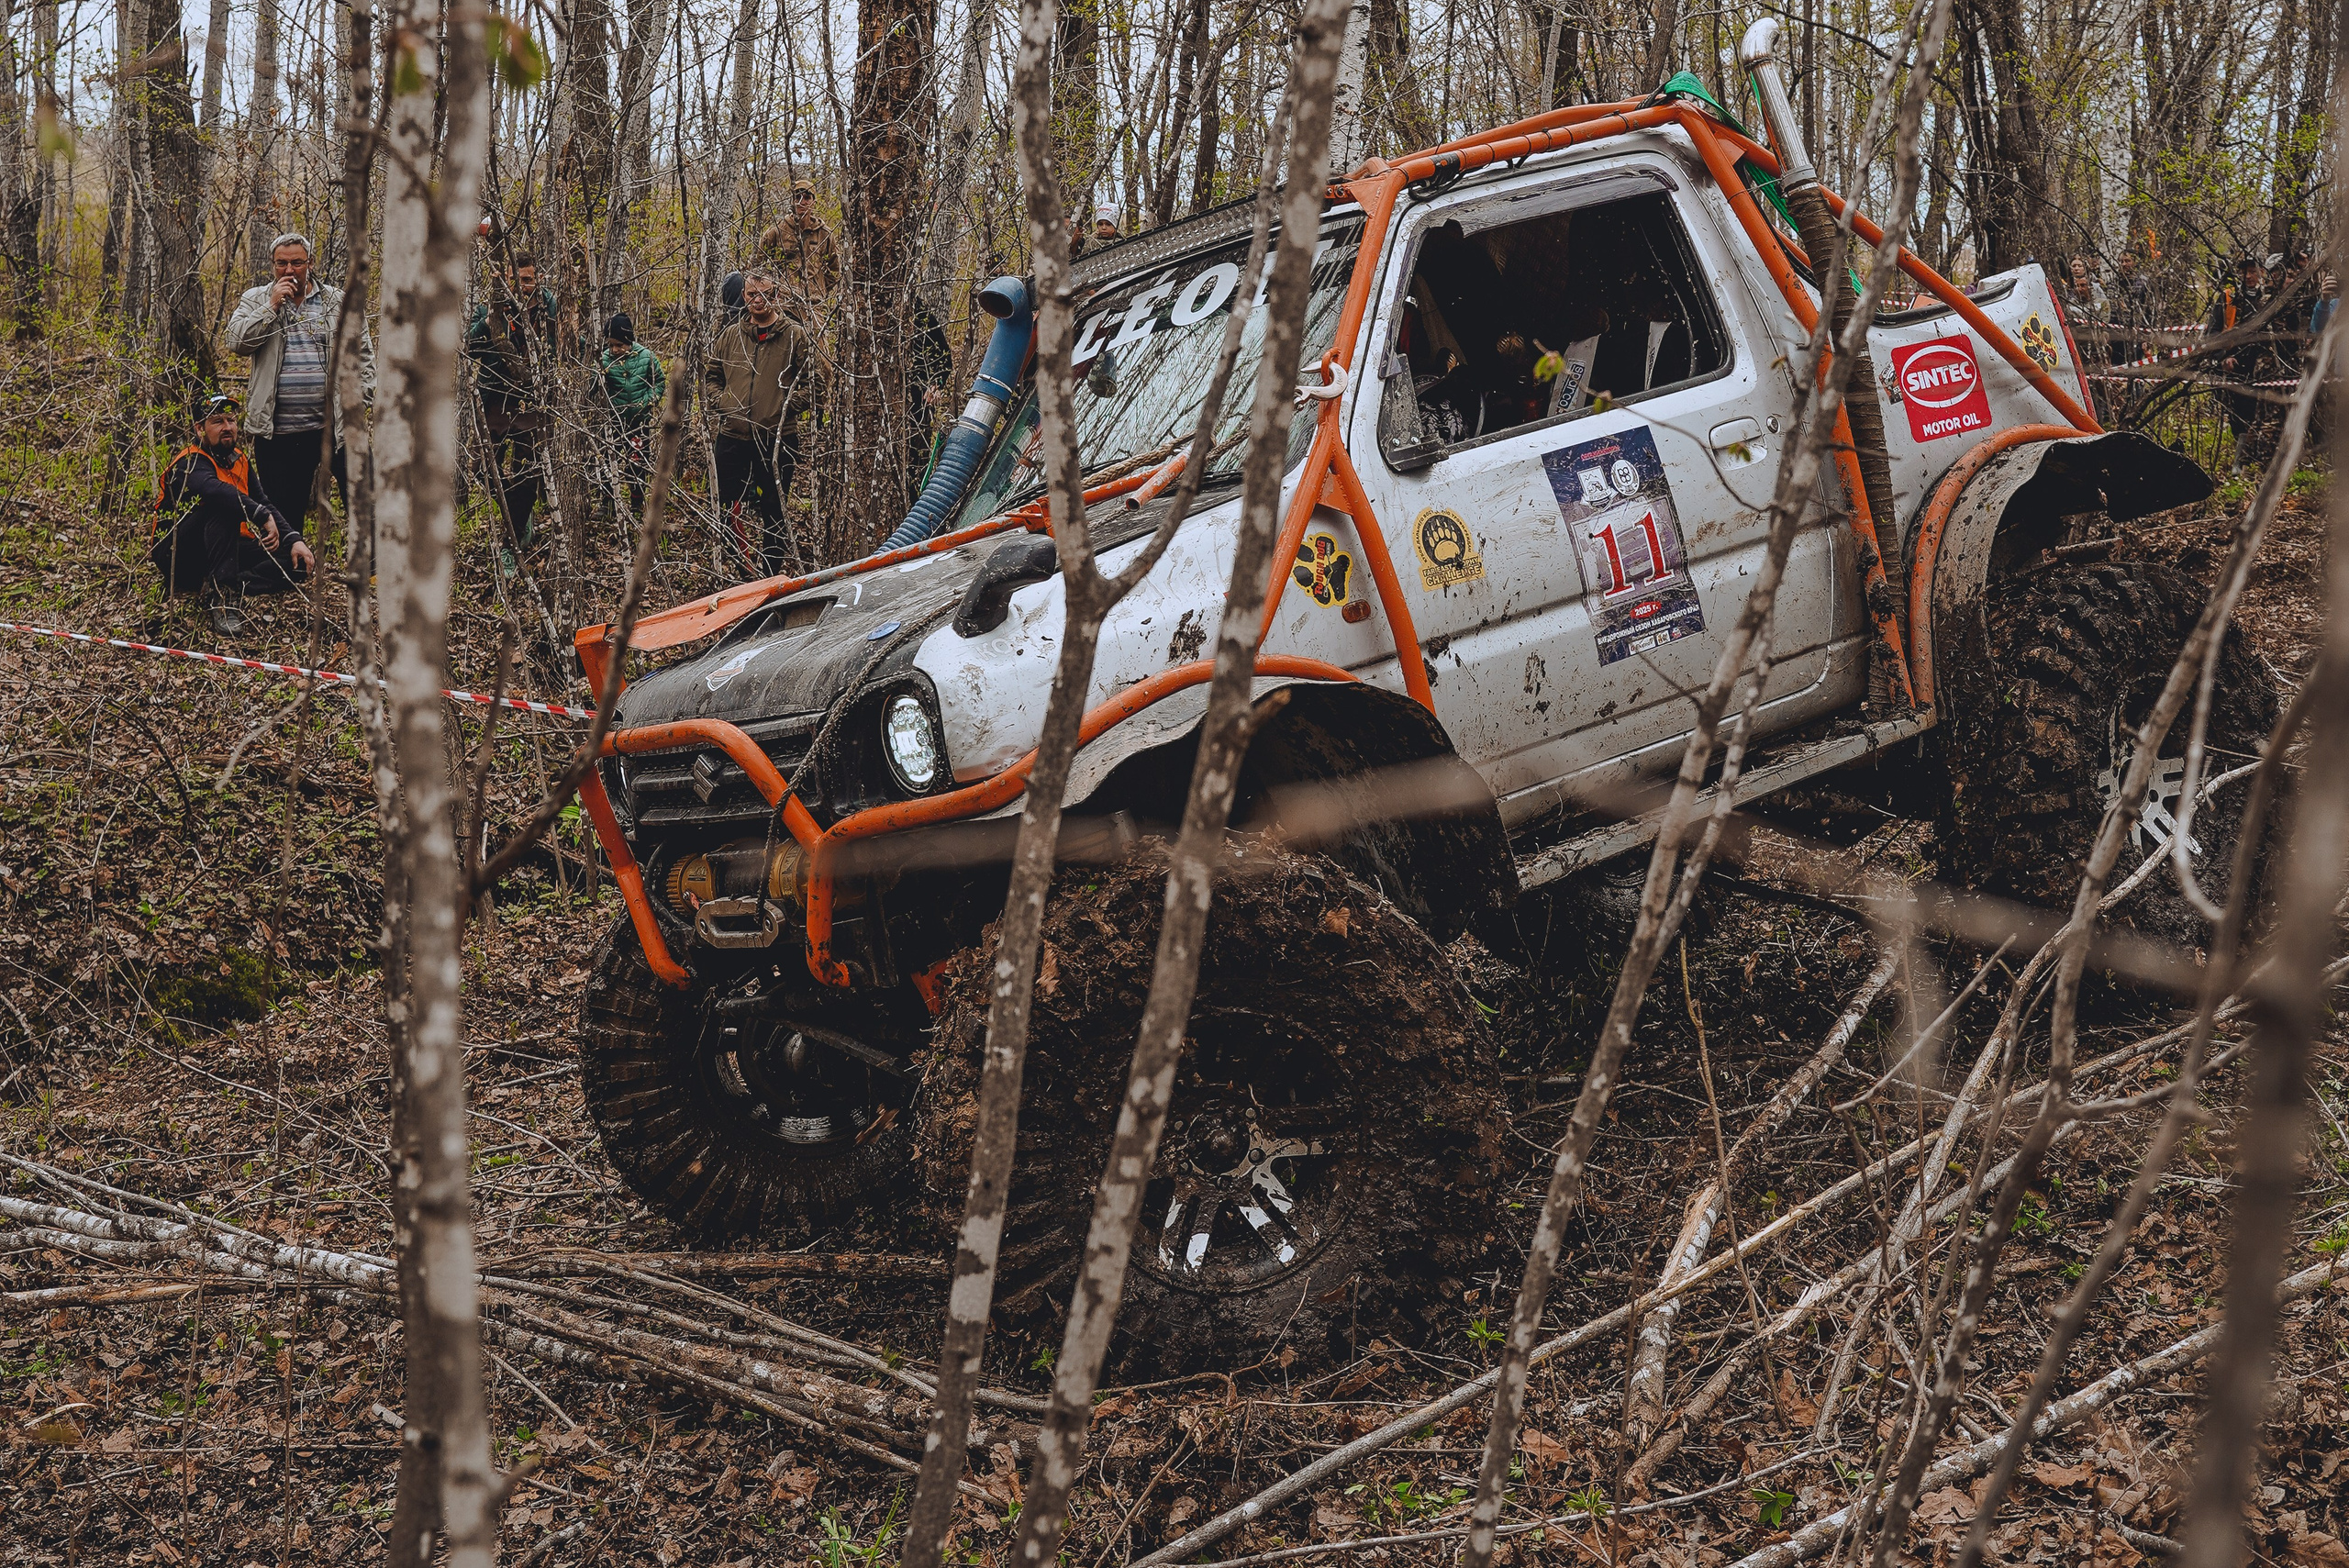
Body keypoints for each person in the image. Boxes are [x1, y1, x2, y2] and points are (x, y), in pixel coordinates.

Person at [222, 232, 373, 541]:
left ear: (310, 263)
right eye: (282, 263)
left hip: (338, 427)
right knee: (283, 511)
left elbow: (365, 358)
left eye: (296, 263)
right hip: (280, 432)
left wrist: (361, 401)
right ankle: (292, 572)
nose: (289, 270)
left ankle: (372, 569)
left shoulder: (337, 301)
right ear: (273, 265)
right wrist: (271, 306)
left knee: (364, 501)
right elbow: (237, 342)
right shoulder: (255, 299)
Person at [150, 394, 314, 636]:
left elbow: (263, 500)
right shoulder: (189, 462)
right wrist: (260, 515)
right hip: (178, 554)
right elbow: (214, 490)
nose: (227, 427)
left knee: (298, 564)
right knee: (224, 504)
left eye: (231, 420)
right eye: (217, 421)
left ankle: (227, 582)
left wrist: (293, 539)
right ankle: (223, 600)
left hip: (224, 548)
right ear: (199, 429)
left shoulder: (240, 460)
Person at [706, 267, 813, 576]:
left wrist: (784, 408)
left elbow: (815, 382)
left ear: (776, 295)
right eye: (752, 294)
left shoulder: (795, 336)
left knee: (774, 513)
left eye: (765, 293)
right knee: (724, 505)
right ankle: (739, 569)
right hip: (733, 436)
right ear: (744, 297)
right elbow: (712, 375)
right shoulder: (730, 336)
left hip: (776, 439)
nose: (758, 300)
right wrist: (723, 404)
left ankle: (768, 575)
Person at [466, 253, 558, 556]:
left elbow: (560, 349)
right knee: (481, 469)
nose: (522, 286)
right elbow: (469, 348)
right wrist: (491, 319)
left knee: (529, 474)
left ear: (538, 279)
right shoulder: (492, 307)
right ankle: (517, 511)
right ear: (506, 279)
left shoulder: (549, 309)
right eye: (516, 280)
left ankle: (513, 541)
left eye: (528, 280)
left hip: (531, 405)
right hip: (494, 402)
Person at [2207, 253, 2274, 472]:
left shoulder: (2269, 298)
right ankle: (2240, 462)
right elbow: (2213, 333)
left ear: (2261, 272)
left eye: (2253, 271)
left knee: (2264, 415)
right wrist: (2222, 358)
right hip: (2234, 366)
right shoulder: (2228, 298)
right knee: (2239, 415)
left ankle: (2260, 461)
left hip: (2264, 367)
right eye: (2245, 272)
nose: (2249, 276)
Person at [597, 313, 667, 521]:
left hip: (638, 423)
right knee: (608, 461)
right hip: (613, 422)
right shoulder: (605, 359)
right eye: (611, 345)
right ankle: (607, 502)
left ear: (629, 341)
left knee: (637, 463)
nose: (615, 350)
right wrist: (599, 376)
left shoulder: (646, 357)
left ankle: (637, 502)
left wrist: (647, 402)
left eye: (619, 345)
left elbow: (659, 382)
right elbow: (595, 385)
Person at [759, 179, 840, 324]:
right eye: (798, 197)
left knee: (818, 345)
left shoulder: (824, 234)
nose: (802, 201)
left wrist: (820, 287)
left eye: (807, 197)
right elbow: (758, 264)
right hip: (784, 303)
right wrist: (773, 289)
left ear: (814, 201)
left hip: (814, 306)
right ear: (792, 201)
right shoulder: (777, 231)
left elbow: (835, 269)